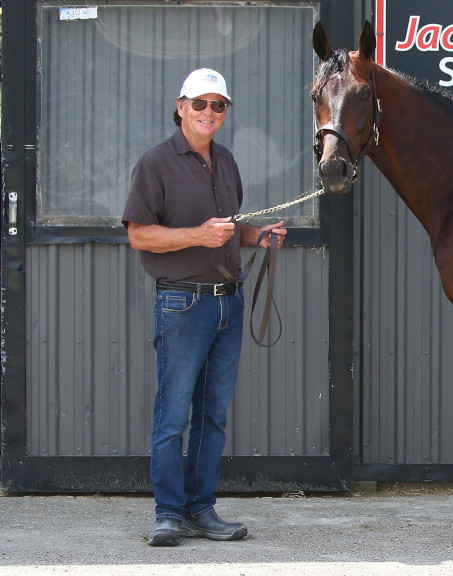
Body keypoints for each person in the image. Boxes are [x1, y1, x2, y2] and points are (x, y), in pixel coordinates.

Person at [122, 68, 286, 547]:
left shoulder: (227, 162)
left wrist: (261, 236)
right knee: (173, 414)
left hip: (227, 304)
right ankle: (169, 513)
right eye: (200, 104)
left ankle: (201, 509)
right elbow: (137, 234)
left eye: (219, 105)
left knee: (212, 415)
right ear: (181, 107)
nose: (209, 113)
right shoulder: (155, 163)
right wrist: (197, 235)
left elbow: (230, 230)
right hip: (181, 302)